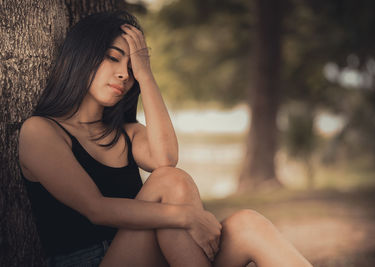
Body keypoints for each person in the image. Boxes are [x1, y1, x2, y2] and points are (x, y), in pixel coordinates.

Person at [18, 11, 312, 267]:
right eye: (113, 58)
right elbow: (96, 209)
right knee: (170, 182)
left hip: (156, 257)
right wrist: (185, 217)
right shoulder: (41, 131)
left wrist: (146, 76)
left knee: (249, 225)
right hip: (88, 261)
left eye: (132, 68)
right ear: (82, 56)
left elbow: (165, 159)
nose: (124, 74)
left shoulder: (127, 133)